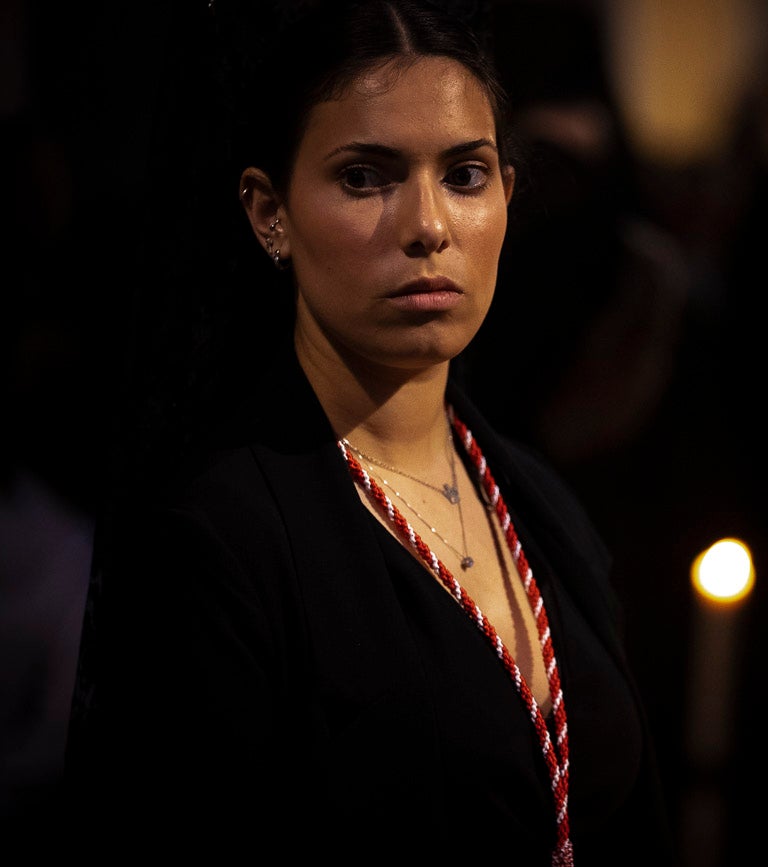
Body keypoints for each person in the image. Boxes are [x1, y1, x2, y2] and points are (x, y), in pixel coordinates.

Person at [61, 2, 674, 864]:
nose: (427, 225)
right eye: (365, 177)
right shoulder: (218, 546)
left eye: (465, 174)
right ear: (268, 212)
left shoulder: (541, 503)